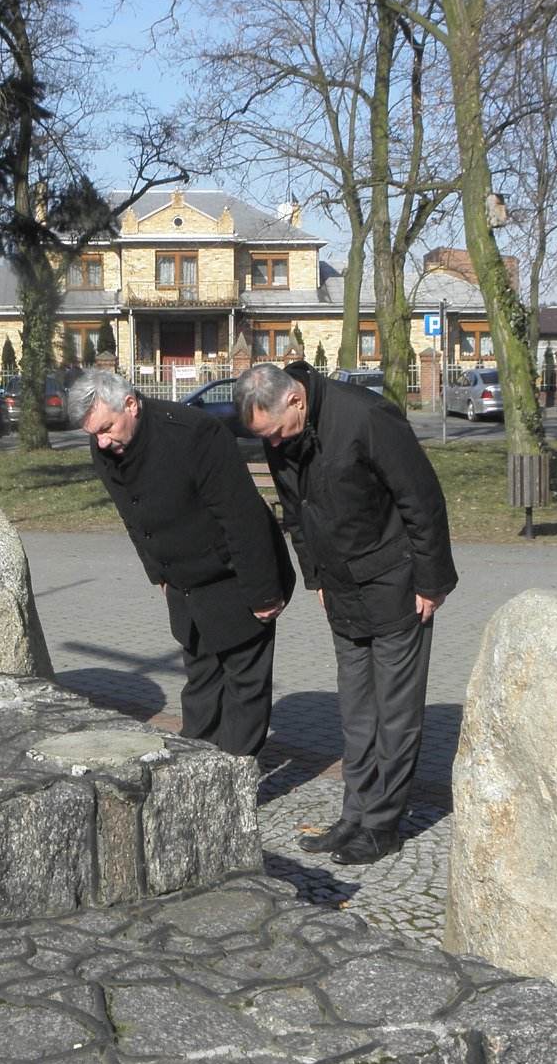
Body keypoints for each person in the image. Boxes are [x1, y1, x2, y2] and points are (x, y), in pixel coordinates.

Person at [233, 360, 457, 865]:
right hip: (340, 588)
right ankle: (355, 813)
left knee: (395, 713)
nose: (272, 445)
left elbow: (421, 498)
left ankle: (383, 825)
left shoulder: (365, 417)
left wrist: (431, 579)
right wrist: (314, 574)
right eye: (262, 438)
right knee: (357, 713)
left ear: (295, 399)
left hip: (396, 581)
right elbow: (294, 511)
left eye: (274, 432)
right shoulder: (281, 435)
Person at [67, 369, 294, 757]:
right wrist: (158, 572)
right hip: (184, 584)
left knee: (245, 687)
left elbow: (243, 519)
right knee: (201, 684)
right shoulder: (106, 445)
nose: (102, 441)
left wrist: (262, 593)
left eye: (106, 428)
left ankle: (233, 783)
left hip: (237, 575)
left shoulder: (194, 435)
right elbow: (132, 515)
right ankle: (194, 773)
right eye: (94, 434)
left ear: (132, 405)